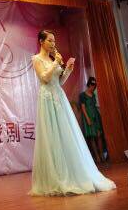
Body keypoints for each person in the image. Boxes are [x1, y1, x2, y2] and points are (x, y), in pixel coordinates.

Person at [29, 30, 116, 196]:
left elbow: (59, 81)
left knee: (65, 134)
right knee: (51, 135)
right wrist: (57, 63)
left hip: (59, 96)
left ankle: (71, 172)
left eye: (54, 41)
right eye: (50, 41)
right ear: (41, 41)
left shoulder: (52, 59)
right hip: (47, 99)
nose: (53, 44)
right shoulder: (37, 59)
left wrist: (68, 69)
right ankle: (55, 177)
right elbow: (44, 78)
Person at [79, 77, 105, 163]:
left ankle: (102, 155)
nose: (94, 88)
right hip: (88, 116)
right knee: (92, 138)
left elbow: (95, 106)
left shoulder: (93, 95)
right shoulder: (82, 95)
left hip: (96, 116)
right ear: (89, 85)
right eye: (93, 86)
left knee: (99, 136)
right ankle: (97, 156)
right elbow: (83, 108)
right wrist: (87, 119)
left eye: (95, 86)